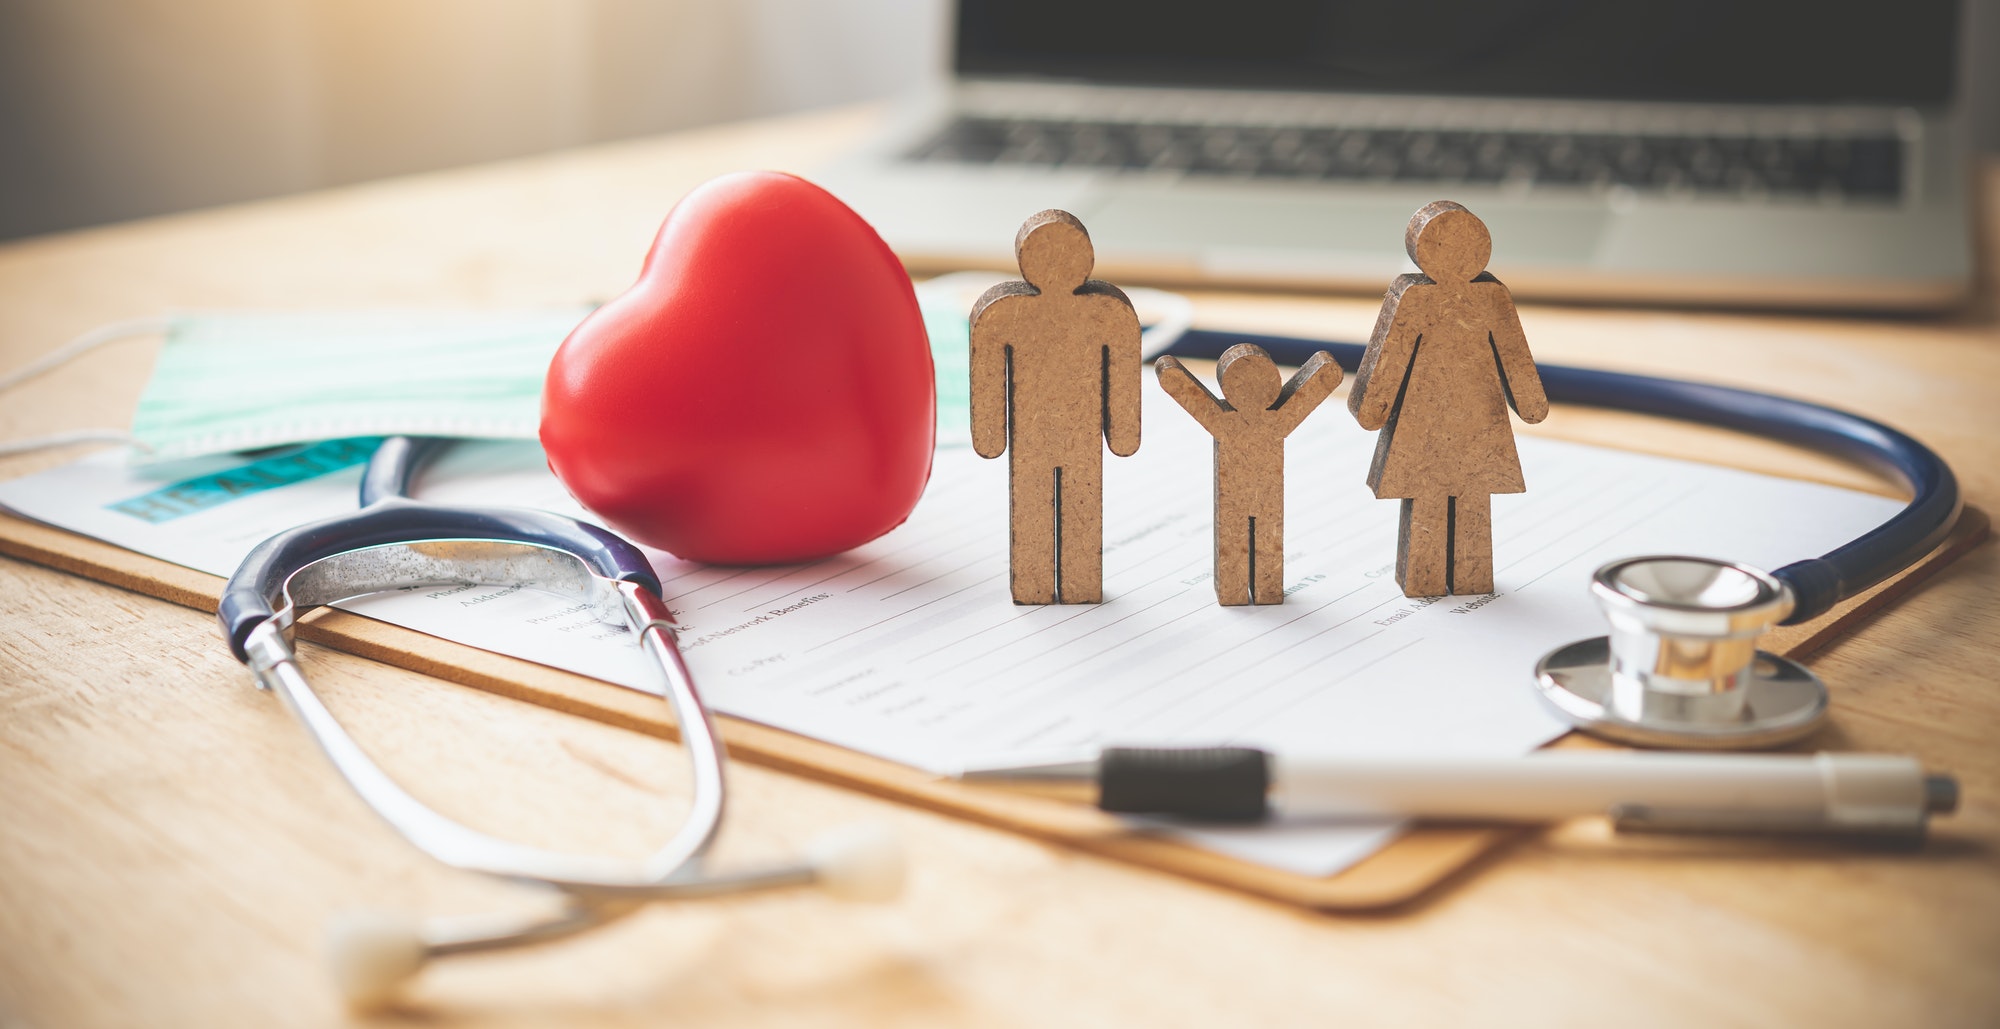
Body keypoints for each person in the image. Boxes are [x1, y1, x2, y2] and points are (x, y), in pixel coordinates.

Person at [1348, 201, 1549, 597]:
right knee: (1429, 500)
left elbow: (1515, 358)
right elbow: (1391, 354)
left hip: (1476, 425)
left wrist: (1530, 403)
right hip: (1429, 427)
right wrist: (1372, 406)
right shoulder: (1414, 297)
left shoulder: (1491, 297)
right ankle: (1424, 577)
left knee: (1469, 498)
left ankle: (1466, 577)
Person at [969, 210, 1142, 604]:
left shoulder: (1107, 312)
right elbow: (989, 374)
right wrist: (991, 435)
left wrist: (1122, 434)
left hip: (1074, 435)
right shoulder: (1003, 313)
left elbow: (1123, 373)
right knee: (1035, 505)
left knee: (1077, 501)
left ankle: (1071, 583)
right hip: (1036, 438)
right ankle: (1036, 584)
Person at [1156, 344, 1340, 605]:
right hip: (1246, 495)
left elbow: (1184, 389)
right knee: (1245, 540)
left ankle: (1251, 590)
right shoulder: (1268, 419)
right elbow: (1320, 381)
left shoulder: (1253, 420)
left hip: (1261, 495)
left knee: (1260, 540)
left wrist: (1170, 373)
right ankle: (1241, 591)